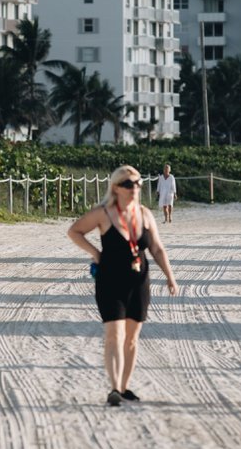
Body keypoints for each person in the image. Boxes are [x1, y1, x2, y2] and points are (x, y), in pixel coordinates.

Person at [68, 165, 178, 407]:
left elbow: (157, 248)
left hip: (139, 282)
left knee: (131, 339)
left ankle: (125, 387)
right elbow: (74, 231)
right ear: (116, 188)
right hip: (110, 280)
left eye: (137, 183)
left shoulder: (146, 214)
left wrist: (170, 277)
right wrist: (95, 253)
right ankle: (115, 388)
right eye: (128, 184)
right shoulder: (103, 213)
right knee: (114, 335)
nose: (134, 188)